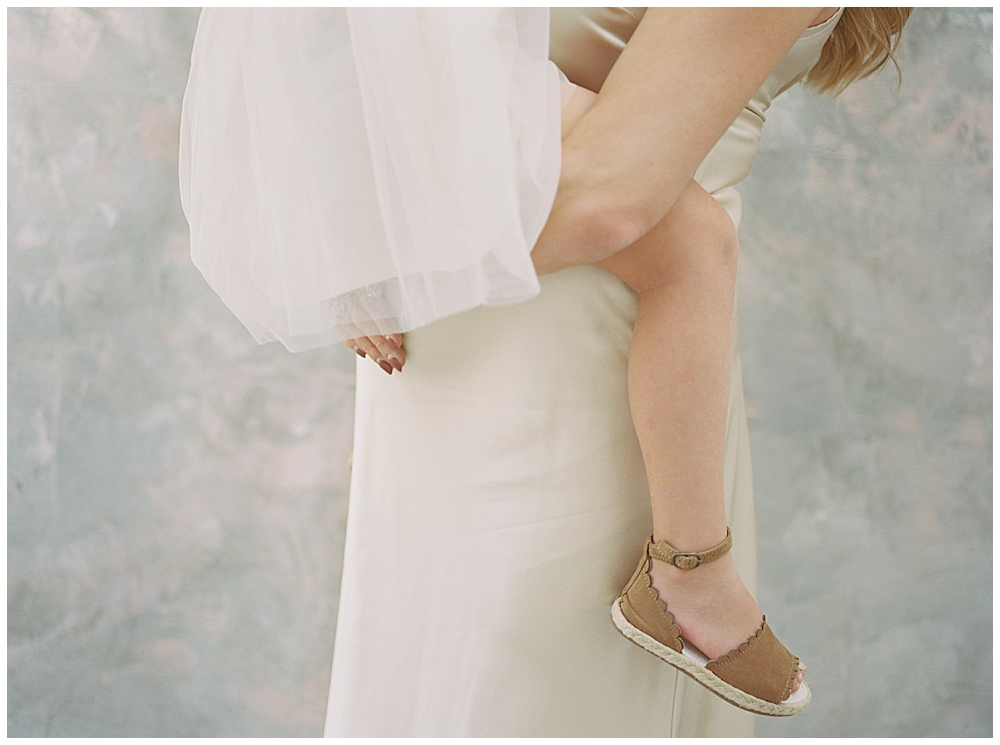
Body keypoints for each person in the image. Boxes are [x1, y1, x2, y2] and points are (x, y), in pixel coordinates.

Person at [179, 6, 910, 736]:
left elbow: (607, 202)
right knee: (430, 682)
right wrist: (357, 240)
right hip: (449, 364)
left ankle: (688, 570)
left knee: (535, 691)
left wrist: (376, 257)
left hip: (587, 374)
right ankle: (692, 572)